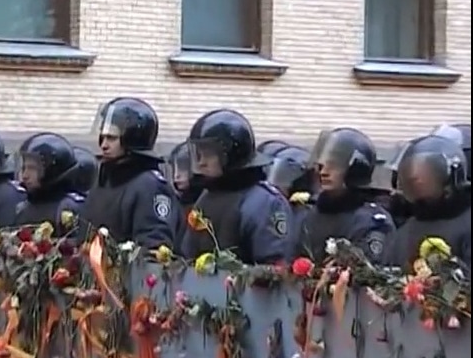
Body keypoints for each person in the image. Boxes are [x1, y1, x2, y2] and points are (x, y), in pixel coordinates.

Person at [180, 109, 294, 264]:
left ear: (231, 154)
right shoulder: (206, 197)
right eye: (199, 155)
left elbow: (274, 267)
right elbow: (188, 256)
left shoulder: (264, 202)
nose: (201, 162)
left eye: (208, 154)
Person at [79, 97, 177, 249]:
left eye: (111, 138)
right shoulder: (103, 180)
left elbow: (154, 246)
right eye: (102, 137)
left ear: (132, 139)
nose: (104, 145)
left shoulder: (150, 186)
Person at [297, 128, 395, 262]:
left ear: (356, 169)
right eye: (322, 165)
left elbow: (368, 270)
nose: (324, 172)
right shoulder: (311, 214)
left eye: (334, 166)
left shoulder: (372, 223)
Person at [382, 135, 471, 267]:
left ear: (452, 178)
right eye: (411, 182)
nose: (418, 187)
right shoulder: (404, 234)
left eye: (426, 179)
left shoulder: (466, 224)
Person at [15, 132, 84, 229]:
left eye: (32, 168)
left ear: (52, 171)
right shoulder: (23, 207)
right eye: (24, 168)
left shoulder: (66, 208)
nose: (25, 175)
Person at [168, 141, 205, 246]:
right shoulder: (175, 203)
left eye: (182, 168)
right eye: (174, 168)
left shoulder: (205, 201)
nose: (176, 175)